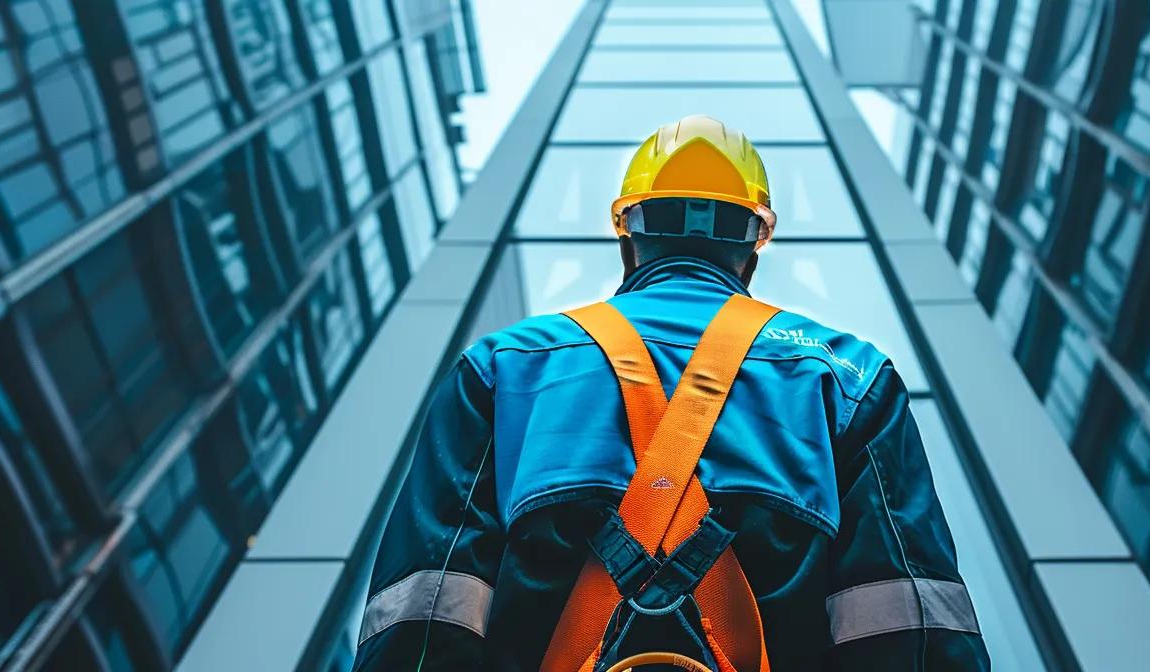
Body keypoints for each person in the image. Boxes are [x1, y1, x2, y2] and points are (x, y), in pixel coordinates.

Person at [353, 115, 990, 671]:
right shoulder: (847, 377)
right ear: (752, 250)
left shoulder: (504, 367)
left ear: (628, 240)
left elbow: (423, 616)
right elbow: (912, 630)